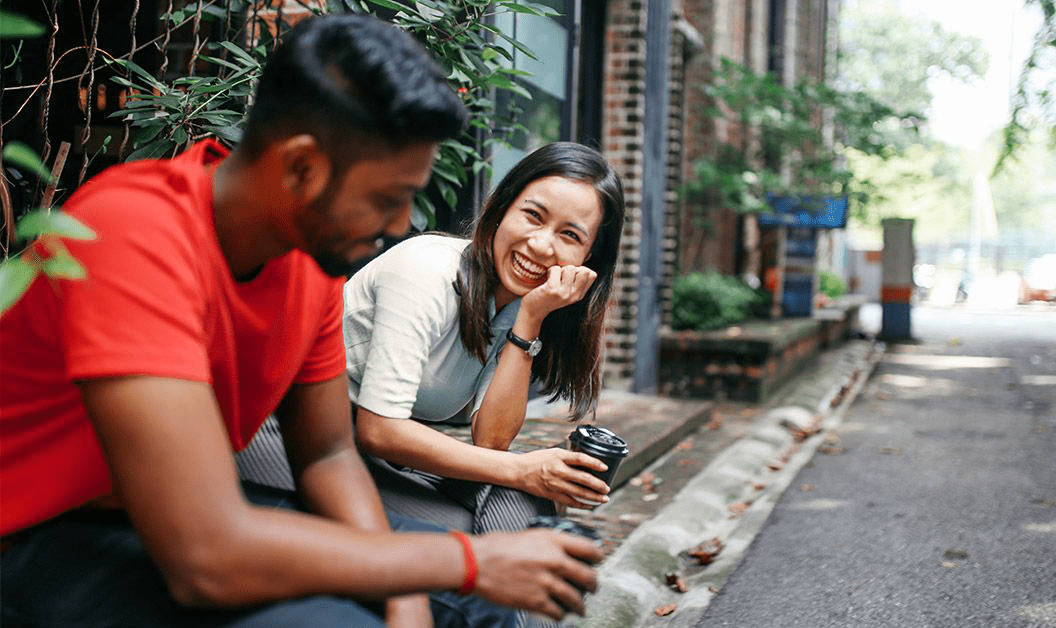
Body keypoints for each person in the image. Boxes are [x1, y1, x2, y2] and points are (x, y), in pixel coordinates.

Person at [0, 14, 602, 628]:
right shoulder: (135, 233)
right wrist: (458, 563)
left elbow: (327, 455)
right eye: (385, 200)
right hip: (43, 534)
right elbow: (205, 556)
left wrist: (409, 597)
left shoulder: (309, 262)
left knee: (488, 609)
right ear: (301, 168)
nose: (397, 227)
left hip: (181, 521)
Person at [240, 142, 626, 537]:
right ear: (502, 208)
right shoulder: (424, 270)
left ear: (588, 259)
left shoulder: (526, 304)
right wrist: (526, 469)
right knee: (477, 533)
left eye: (569, 235)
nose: (542, 245)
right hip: (288, 435)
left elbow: (490, 442)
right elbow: (380, 429)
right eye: (532, 215)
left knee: (522, 509)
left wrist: (529, 320)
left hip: (360, 453)